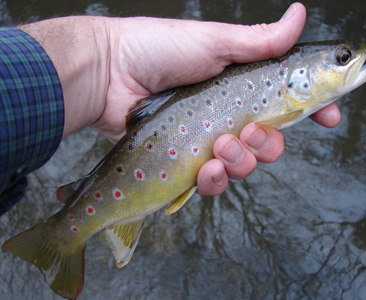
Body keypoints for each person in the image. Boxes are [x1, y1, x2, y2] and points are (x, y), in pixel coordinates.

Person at [0, 3, 340, 215]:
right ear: (299, 77)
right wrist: (106, 59)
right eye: (342, 60)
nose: (348, 63)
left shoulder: (294, 95)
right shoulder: (292, 100)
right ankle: (64, 237)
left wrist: (105, 62)